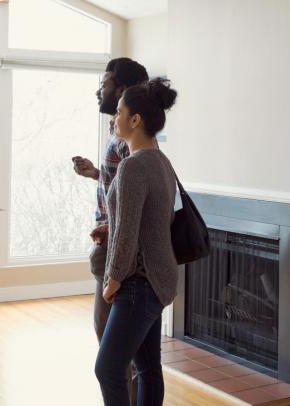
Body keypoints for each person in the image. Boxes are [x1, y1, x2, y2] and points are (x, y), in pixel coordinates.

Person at [94, 78, 179, 406]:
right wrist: (109, 228)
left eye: (118, 112)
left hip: (138, 283)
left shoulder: (132, 167)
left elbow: (129, 235)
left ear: (135, 120)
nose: (113, 119)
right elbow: (154, 222)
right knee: (147, 369)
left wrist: (112, 281)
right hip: (158, 280)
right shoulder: (161, 161)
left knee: (108, 368)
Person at [71, 57, 149, 405]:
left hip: (115, 245)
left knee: (112, 344)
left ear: (120, 88)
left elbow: (135, 194)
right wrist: (94, 173)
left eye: (103, 84)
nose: (97, 91)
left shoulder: (132, 138)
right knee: (113, 341)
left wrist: (112, 229)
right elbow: (121, 183)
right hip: (110, 239)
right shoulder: (116, 131)